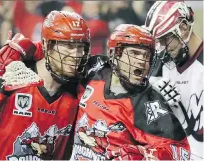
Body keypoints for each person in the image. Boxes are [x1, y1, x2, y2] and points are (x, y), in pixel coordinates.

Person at [69, 24, 190, 160]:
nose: (141, 62)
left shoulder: (148, 104)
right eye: (134, 53)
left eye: (146, 56)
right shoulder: (94, 69)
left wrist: (145, 155)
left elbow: (181, 152)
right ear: (114, 54)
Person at [0, 10, 90, 160]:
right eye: (68, 46)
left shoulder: (82, 91)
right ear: (48, 45)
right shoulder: (7, 78)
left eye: (81, 47)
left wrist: (29, 47)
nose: (76, 55)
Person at [145, 1, 203, 159]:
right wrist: (149, 90)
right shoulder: (160, 64)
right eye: (158, 41)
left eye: (165, 39)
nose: (162, 47)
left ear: (183, 28)